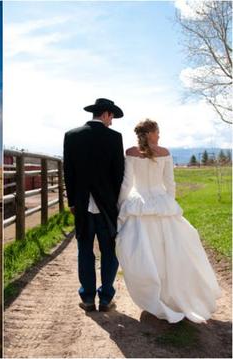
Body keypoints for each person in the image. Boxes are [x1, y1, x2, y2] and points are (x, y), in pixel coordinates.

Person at [116, 119, 221, 323]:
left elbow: (127, 183)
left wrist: (121, 206)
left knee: (145, 253)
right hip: (161, 204)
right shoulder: (165, 152)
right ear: (151, 133)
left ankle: (154, 296)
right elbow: (169, 184)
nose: (160, 135)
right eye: (158, 131)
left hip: (139, 206)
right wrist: (169, 205)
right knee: (169, 252)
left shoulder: (130, 152)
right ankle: (169, 295)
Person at [63, 98, 125, 312]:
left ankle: (88, 297)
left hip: (81, 203)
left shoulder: (71, 136)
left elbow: (68, 172)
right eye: (112, 117)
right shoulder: (114, 138)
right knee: (110, 251)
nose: (112, 122)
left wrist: (71, 200)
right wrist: (118, 202)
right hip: (107, 206)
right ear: (106, 114)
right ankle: (106, 297)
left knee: (85, 250)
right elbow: (119, 174)